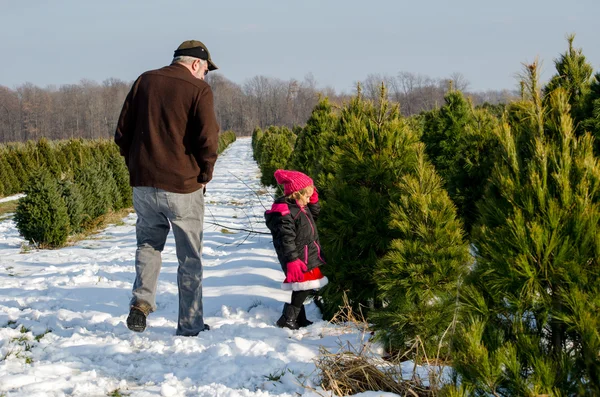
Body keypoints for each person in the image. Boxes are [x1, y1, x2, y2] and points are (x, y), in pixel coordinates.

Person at [114, 40, 220, 336]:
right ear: (197, 64)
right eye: (206, 70)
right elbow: (209, 139)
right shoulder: (199, 90)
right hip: (184, 187)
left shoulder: (145, 80)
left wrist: (137, 164)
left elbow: (122, 133)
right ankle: (190, 324)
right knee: (189, 257)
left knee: (148, 245)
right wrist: (205, 174)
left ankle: (141, 303)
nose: (205, 75)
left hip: (144, 185)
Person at [265, 169, 329, 330]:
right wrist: (292, 260)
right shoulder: (285, 213)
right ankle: (287, 318)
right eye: (307, 196)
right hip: (297, 257)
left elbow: (313, 216)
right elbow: (286, 239)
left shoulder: (300, 207)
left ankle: (300, 318)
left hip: (305, 253)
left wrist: (313, 201)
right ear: (296, 194)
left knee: (302, 288)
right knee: (302, 288)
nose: (308, 200)